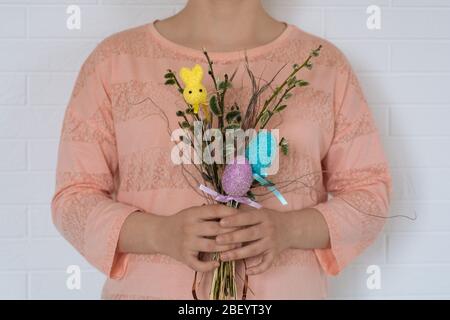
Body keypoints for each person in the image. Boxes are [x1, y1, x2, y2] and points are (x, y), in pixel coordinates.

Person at [51, 0, 392, 299]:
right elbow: (73, 199)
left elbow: (370, 195)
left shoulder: (324, 66)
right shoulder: (114, 62)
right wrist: (160, 234)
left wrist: (289, 230)